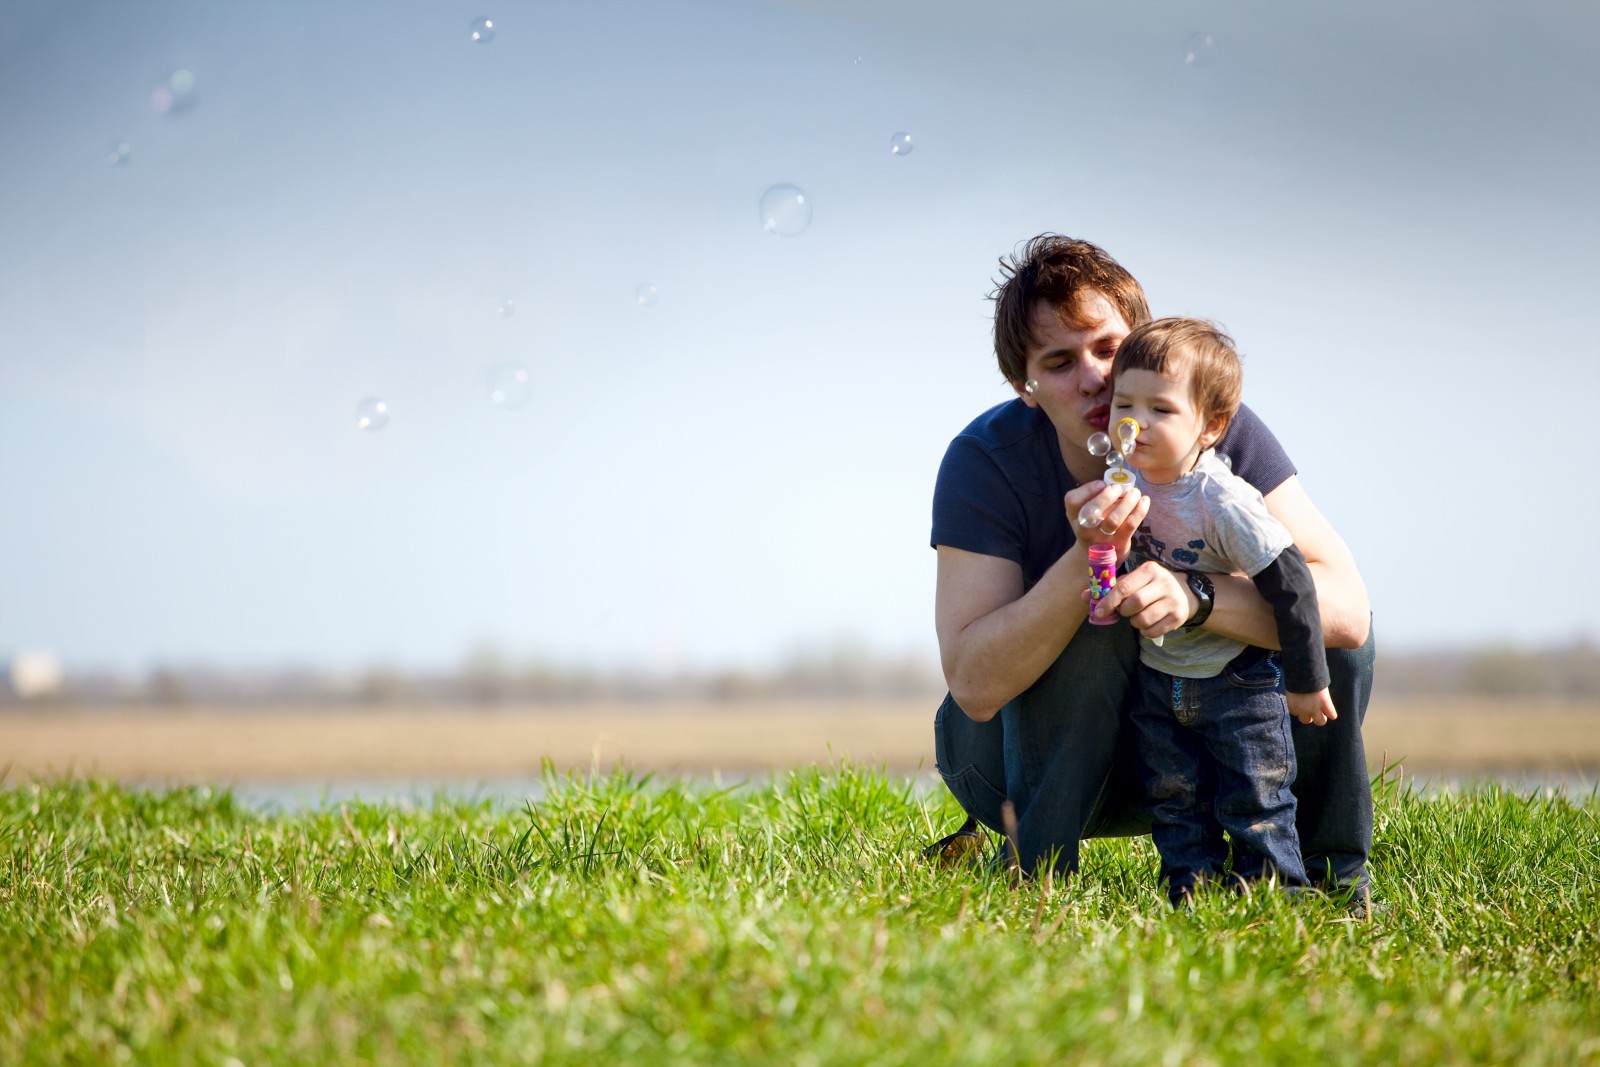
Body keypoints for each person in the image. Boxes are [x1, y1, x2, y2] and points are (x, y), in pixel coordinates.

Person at [928, 235, 1374, 906]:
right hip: (1005, 764)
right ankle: (1035, 870)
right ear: (1025, 386)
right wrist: (1086, 559)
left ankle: (1322, 877)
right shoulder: (984, 459)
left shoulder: (1206, 424)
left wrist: (1197, 597)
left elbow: (1347, 611)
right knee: (1101, 612)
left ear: (1141, 339)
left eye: (1109, 347)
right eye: (1058, 361)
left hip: (1203, 745)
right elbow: (973, 684)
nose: (1095, 378)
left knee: (1314, 627)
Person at [1098, 317, 1334, 905]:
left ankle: (1275, 903)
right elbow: (1120, 560)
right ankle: (1191, 898)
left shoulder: (1222, 499)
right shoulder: (1124, 480)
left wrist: (1306, 681)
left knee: (1255, 800)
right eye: (1123, 403)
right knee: (1174, 802)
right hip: (1162, 677)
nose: (1135, 422)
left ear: (1212, 427)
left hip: (1238, 680)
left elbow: (1293, 582)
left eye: (1161, 409)